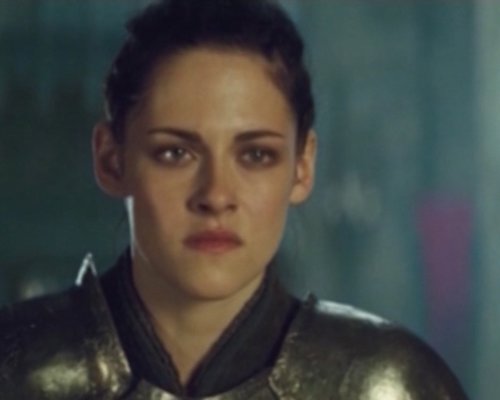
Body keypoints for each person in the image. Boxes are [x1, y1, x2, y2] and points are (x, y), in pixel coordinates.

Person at [0, 0, 468, 399]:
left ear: (302, 166)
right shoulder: (16, 370)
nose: (216, 196)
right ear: (111, 159)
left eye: (256, 155)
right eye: (175, 153)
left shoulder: (388, 385)